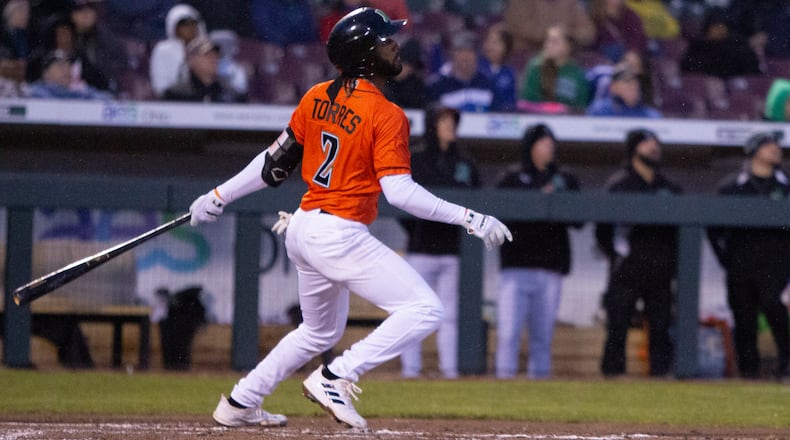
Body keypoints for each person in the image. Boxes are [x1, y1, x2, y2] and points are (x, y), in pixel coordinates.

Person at [188, 7, 512, 429]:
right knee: (425, 309)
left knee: (318, 332)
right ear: (364, 53)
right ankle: (337, 375)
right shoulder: (386, 113)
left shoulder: (317, 95)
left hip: (304, 227)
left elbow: (273, 164)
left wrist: (218, 194)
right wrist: (470, 217)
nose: (395, 45)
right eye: (385, 41)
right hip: (337, 233)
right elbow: (399, 192)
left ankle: (240, 401)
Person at [398, 106, 480, 379]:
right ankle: (411, 370)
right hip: (421, 248)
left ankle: (449, 370)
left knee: (450, 315)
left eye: (453, 121)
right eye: (444, 121)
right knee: (415, 310)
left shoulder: (466, 162)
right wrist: (417, 230)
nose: (450, 126)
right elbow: (402, 201)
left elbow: (477, 202)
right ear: (433, 125)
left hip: (453, 250)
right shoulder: (417, 159)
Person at [494, 123, 581, 380]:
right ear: (530, 146)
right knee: (509, 332)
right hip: (516, 267)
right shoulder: (511, 177)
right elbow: (499, 217)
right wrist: (537, 197)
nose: (548, 147)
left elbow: (580, 219)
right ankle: (503, 383)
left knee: (543, 336)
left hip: (551, 267)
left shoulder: (565, 179)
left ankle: (539, 388)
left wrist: (556, 200)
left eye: (550, 142)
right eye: (542, 142)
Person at [595, 128, 682, 378]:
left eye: (656, 143)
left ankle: (661, 379)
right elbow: (603, 230)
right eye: (646, 143)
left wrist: (671, 261)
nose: (653, 147)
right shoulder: (619, 185)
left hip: (661, 270)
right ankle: (612, 377)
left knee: (661, 327)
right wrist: (616, 255)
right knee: (618, 325)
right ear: (634, 149)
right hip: (627, 268)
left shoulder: (669, 187)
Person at [707, 131, 790, 380]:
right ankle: (748, 372)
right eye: (768, 145)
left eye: (777, 146)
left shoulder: (786, 186)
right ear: (754, 150)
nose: (776, 149)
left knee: (771, 303)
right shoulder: (731, 187)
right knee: (744, 317)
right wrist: (724, 258)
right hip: (740, 262)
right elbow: (713, 229)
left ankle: (786, 362)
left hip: (776, 261)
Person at [426, 30, 501, 112]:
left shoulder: (488, 85)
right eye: (460, 51)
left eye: (470, 51)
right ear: (453, 54)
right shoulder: (437, 86)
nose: (465, 56)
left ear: (477, 55)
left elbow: (497, 115)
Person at [520, 25, 590, 113]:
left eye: (554, 42)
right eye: (547, 40)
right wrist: (549, 109)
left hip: (569, 122)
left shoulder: (577, 73)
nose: (548, 45)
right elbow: (524, 103)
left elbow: (582, 106)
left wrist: (566, 110)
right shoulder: (536, 67)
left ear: (568, 46)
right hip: (538, 120)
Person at [680, 7, 762, 80]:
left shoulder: (737, 46)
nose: (720, 30)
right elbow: (688, 69)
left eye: (722, 26)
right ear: (708, 28)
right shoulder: (697, 46)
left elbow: (752, 70)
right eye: (716, 26)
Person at [162, 35, 246, 103]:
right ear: (190, 60)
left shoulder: (232, 95)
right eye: (207, 55)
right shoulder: (175, 95)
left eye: (216, 55)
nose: (214, 59)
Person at [69, 0, 128, 95]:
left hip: (101, 88)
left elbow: (122, 63)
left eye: (89, 10)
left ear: (95, 13)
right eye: (80, 11)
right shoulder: (63, 34)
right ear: (73, 15)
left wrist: (103, 76)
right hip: (66, 89)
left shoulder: (107, 38)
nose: (85, 15)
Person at [149, 3, 205, 97]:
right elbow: (159, 84)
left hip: (204, 100)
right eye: (184, 25)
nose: (190, 28)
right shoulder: (163, 50)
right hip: (172, 100)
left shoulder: (208, 48)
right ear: (174, 27)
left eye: (192, 24)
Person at [501, 0, 595, 53]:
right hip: (525, 53)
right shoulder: (520, 2)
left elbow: (588, 32)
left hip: (563, 56)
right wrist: (554, 35)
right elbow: (519, 26)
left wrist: (567, 35)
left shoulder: (570, 3)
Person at [26, 48, 113, 99]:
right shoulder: (34, 91)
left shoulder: (81, 91)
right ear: (46, 74)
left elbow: (106, 98)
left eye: (69, 66)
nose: (67, 70)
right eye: (60, 66)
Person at [586, 66, 661, 117]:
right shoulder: (599, 110)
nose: (633, 85)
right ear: (613, 87)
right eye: (627, 81)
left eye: (636, 82)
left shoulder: (650, 115)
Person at [478, 23, 517, 113]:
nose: (490, 46)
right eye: (488, 41)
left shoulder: (509, 73)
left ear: (506, 48)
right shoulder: (477, 68)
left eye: (496, 43)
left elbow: (511, 102)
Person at [383, 37, 426, 109]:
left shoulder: (416, 85)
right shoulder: (383, 81)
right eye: (405, 65)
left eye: (411, 67)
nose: (408, 70)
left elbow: (420, 108)